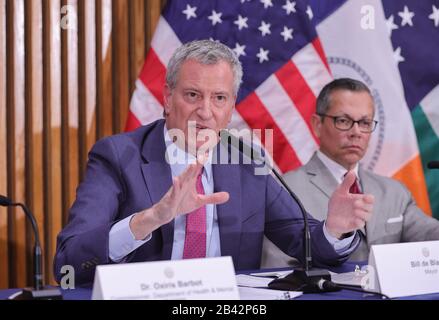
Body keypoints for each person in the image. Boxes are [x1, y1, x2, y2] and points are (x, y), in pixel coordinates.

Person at [54, 41, 374, 285]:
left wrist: (333, 229)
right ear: (167, 97)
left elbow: (306, 244)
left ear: (231, 106)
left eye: (219, 98)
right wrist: (147, 220)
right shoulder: (118, 156)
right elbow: (67, 265)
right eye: (193, 95)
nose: (206, 112)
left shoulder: (248, 161)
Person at [262, 78, 439, 266]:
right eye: (343, 121)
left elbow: (430, 236)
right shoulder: (284, 190)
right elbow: (275, 271)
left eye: (364, 122)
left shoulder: (394, 191)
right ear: (317, 125)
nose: (356, 132)